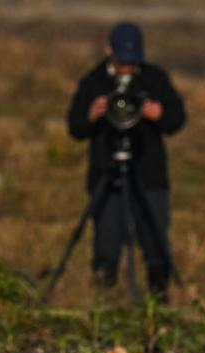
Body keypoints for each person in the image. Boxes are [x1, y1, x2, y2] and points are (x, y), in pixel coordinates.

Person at [67, 21, 186, 296]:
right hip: (106, 171)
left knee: (155, 239)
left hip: (148, 172)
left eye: (132, 62)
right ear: (109, 50)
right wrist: (91, 115)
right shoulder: (93, 81)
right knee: (106, 242)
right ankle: (104, 298)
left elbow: (177, 120)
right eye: (122, 61)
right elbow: (75, 128)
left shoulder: (154, 79)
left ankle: (158, 299)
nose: (127, 67)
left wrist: (160, 114)